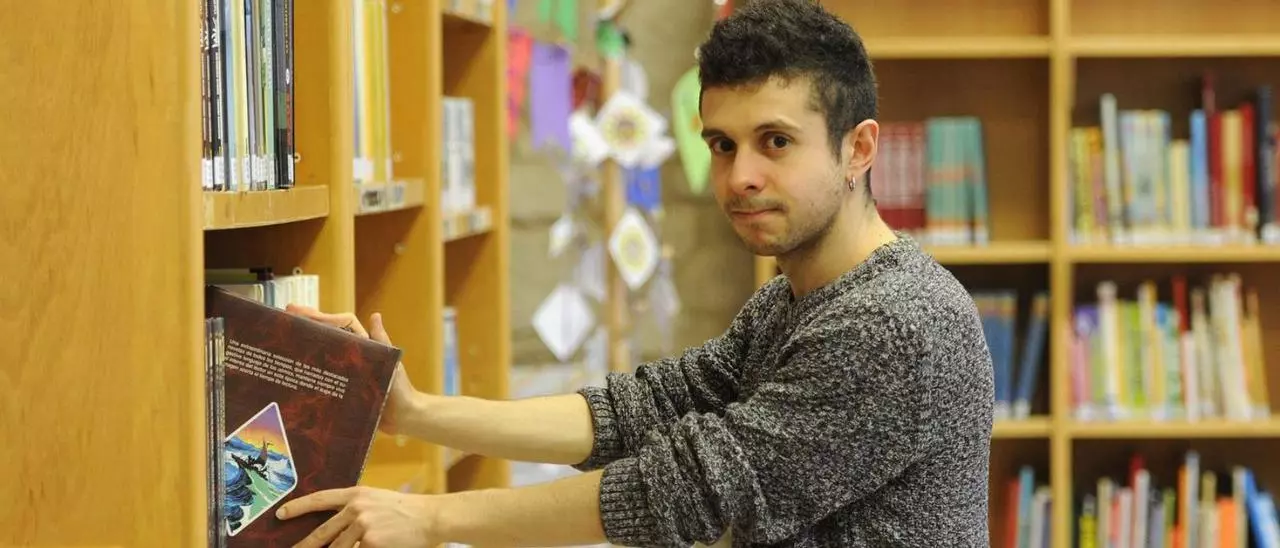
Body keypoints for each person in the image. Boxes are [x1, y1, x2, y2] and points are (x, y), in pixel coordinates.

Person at [275, 0, 994, 546]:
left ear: (858, 148)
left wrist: (430, 519)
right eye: (722, 145)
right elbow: (643, 410)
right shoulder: (791, 300)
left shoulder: (891, 324)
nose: (740, 176)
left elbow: (680, 490)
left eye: (776, 141)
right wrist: (415, 412)